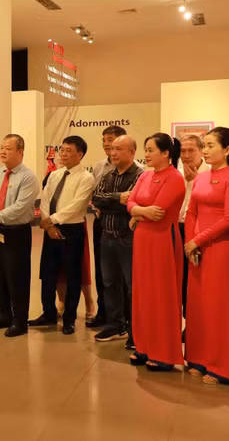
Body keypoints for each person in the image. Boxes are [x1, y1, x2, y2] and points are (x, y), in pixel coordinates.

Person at [183, 127, 229, 385]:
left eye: (211, 146)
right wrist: (190, 241)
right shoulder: (200, 178)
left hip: (220, 248)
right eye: (205, 146)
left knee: (219, 307)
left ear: (228, 150)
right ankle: (198, 358)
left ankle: (224, 367)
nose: (206, 151)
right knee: (197, 307)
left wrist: (198, 239)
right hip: (196, 249)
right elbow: (191, 212)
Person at [126, 133, 185, 371]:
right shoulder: (145, 175)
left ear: (166, 153)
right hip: (142, 240)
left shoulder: (175, 178)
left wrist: (138, 212)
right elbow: (130, 203)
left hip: (163, 240)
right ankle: (144, 346)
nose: (147, 155)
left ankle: (164, 353)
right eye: (146, 150)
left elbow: (158, 211)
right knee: (143, 293)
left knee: (162, 296)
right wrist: (140, 211)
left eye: (151, 150)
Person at [30, 136, 95, 335]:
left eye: (68, 150)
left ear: (80, 154)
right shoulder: (54, 175)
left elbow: (77, 205)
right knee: (47, 274)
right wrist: (49, 224)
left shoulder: (86, 178)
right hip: (51, 230)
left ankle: (69, 318)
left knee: (73, 276)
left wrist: (52, 220)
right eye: (62, 150)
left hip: (71, 231)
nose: (63, 154)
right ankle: (48, 313)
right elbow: (45, 199)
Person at [0, 134, 38, 337]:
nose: (3, 151)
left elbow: (20, 207)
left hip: (16, 233)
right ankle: (3, 315)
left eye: (8, 148)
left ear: (20, 152)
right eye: (1, 147)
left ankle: (19, 321)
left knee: (17, 279)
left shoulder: (28, 177)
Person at [91, 135, 142, 346]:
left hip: (128, 238)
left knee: (132, 286)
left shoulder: (140, 176)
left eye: (118, 149)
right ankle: (115, 325)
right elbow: (95, 199)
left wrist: (111, 201)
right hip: (107, 236)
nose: (113, 153)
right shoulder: (108, 174)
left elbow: (134, 202)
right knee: (109, 283)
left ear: (132, 152)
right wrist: (117, 198)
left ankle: (135, 331)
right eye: (111, 149)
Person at [87, 125, 127, 329]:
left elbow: (129, 202)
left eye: (110, 139)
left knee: (122, 274)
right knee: (103, 273)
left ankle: (123, 318)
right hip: (100, 223)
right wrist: (112, 200)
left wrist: (109, 200)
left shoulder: (134, 168)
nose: (106, 144)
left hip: (122, 227)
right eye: (104, 139)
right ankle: (104, 313)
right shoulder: (99, 166)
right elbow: (96, 197)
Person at [178, 134, 210, 334]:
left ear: (201, 152)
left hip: (201, 233)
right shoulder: (176, 174)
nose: (187, 155)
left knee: (197, 281)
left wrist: (195, 180)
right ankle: (186, 323)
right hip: (179, 229)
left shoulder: (208, 174)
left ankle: (197, 324)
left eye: (191, 151)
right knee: (181, 280)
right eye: (183, 151)